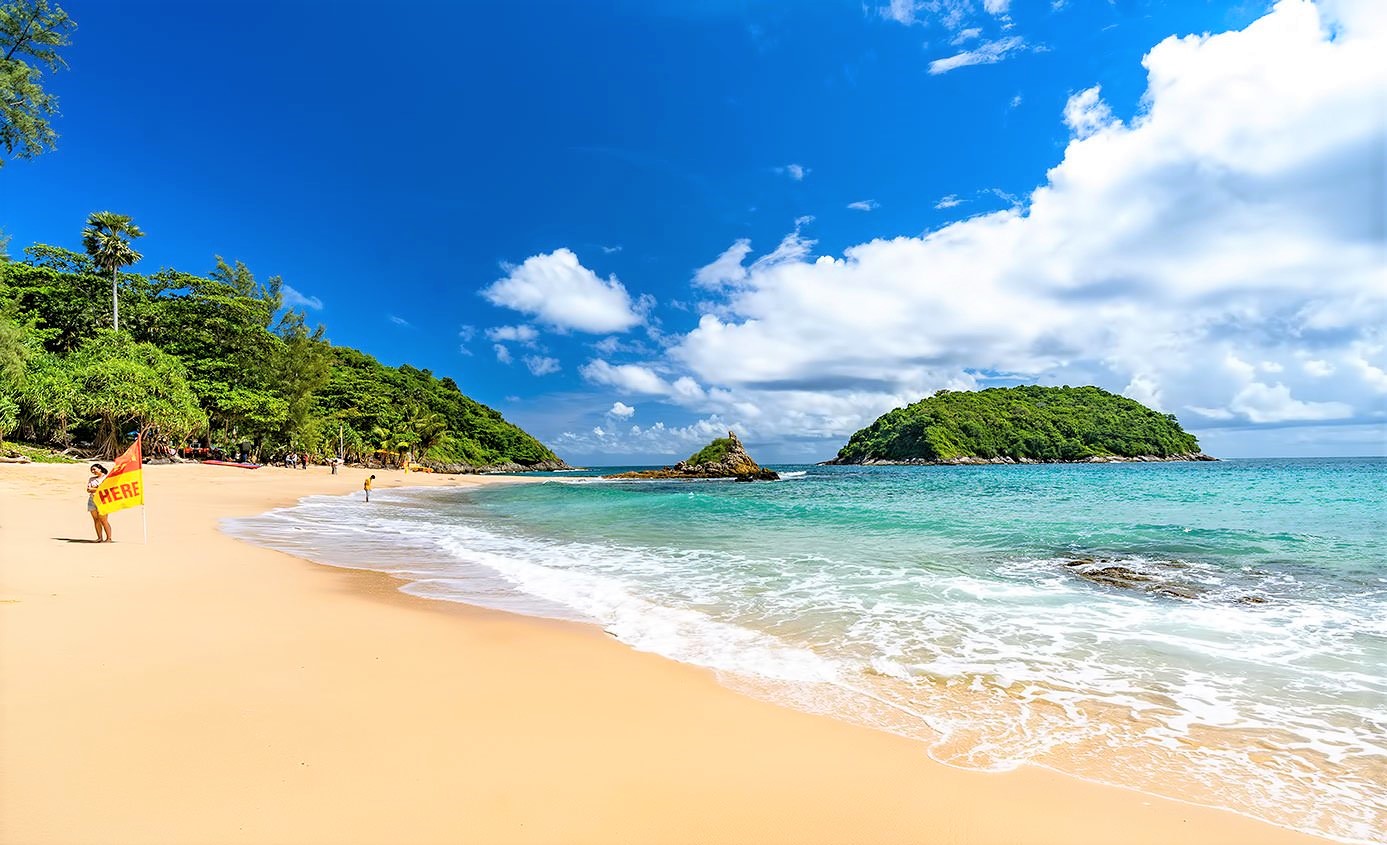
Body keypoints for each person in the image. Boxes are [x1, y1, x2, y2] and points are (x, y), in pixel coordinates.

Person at [86, 464, 113, 543]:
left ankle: (109, 538)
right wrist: (98, 488)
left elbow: (107, 489)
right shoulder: (91, 479)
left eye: (94, 469)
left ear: (100, 469)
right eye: (92, 470)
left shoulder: (107, 478)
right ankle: (99, 537)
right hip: (92, 500)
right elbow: (88, 489)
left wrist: (95, 488)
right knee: (96, 519)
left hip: (103, 500)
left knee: (103, 520)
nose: (93, 471)